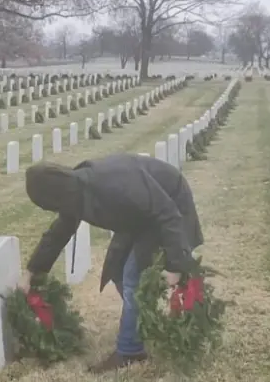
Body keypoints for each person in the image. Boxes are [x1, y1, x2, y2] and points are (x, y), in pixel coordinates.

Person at [20, 154, 204, 373]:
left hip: (169, 203)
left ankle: (130, 350)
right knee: (117, 270)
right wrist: (32, 271)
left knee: (131, 277)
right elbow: (59, 232)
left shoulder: (113, 184)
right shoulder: (74, 191)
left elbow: (166, 213)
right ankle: (139, 324)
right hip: (138, 216)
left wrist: (175, 265)